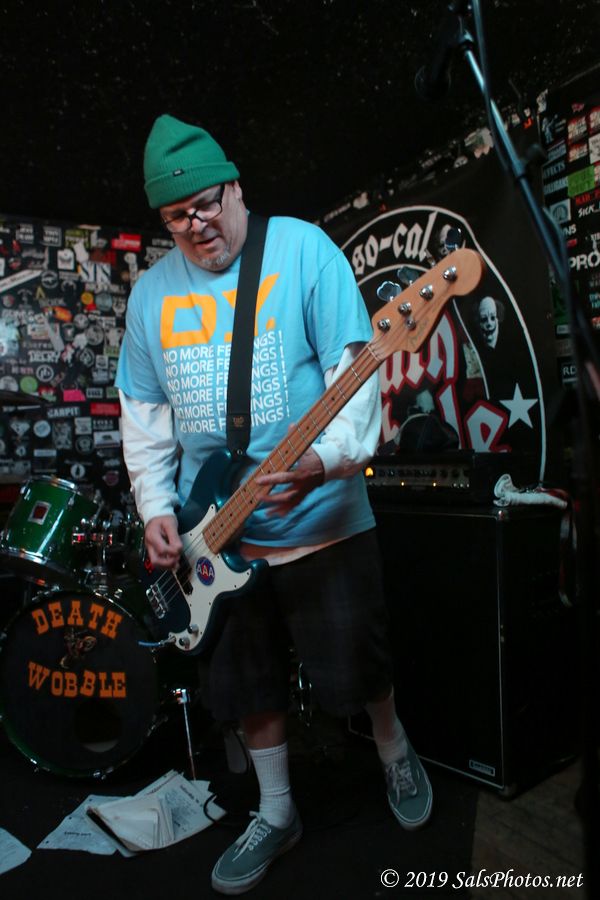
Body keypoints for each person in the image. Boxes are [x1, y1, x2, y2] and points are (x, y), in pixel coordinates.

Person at [115, 113, 432, 896]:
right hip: (215, 538)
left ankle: (392, 748)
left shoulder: (302, 251)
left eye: (207, 204)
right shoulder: (151, 295)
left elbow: (355, 369)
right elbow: (144, 417)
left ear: (234, 187)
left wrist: (326, 459)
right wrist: (156, 509)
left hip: (322, 521)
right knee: (247, 684)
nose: (197, 225)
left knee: (358, 667)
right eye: (177, 216)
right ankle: (277, 809)